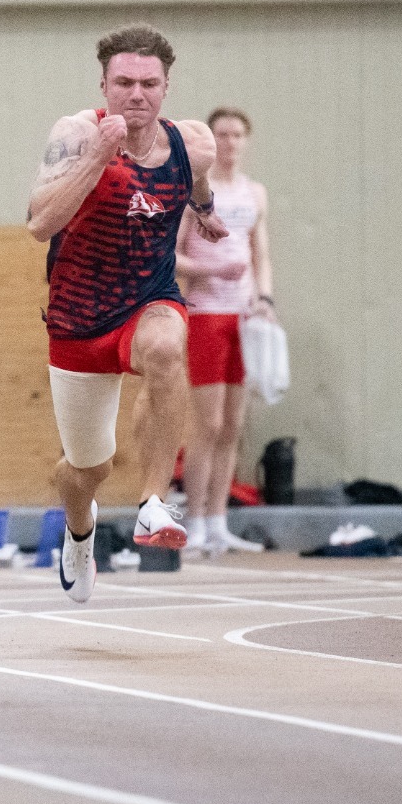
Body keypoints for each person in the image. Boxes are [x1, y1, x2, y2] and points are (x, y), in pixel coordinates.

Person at [28, 23, 227, 603]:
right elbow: (40, 223)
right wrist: (95, 158)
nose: (136, 94)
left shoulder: (193, 142)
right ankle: (79, 531)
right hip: (77, 318)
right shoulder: (75, 134)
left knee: (168, 348)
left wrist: (206, 212)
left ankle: (153, 503)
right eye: (124, 83)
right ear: (104, 85)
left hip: (149, 298)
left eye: (148, 83)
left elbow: (198, 184)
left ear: (166, 87)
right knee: (87, 469)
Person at [174, 107, 273, 555]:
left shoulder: (255, 193)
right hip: (206, 313)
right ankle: (193, 518)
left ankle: (218, 519)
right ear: (211, 142)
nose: (230, 143)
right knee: (207, 424)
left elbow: (261, 254)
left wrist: (265, 299)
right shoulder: (193, 192)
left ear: (246, 140)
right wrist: (207, 269)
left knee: (233, 425)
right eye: (222, 135)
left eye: (237, 135)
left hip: (243, 317)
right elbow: (170, 256)